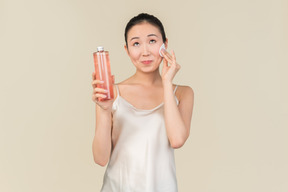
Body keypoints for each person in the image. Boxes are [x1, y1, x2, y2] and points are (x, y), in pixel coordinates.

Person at [91, 13, 194, 192]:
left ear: (165, 44)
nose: (145, 52)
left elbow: (177, 139)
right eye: (136, 43)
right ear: (127, 50)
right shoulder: (111, 94)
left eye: (152, 41)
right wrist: (105, 110)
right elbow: (100, 158)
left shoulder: (183, 93)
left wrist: (167, 82)